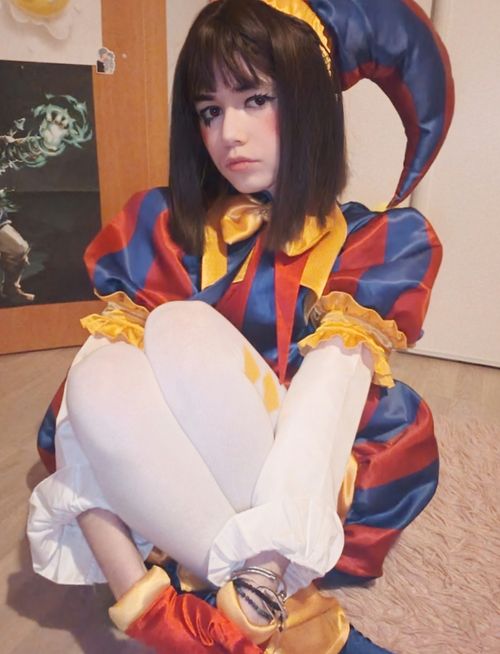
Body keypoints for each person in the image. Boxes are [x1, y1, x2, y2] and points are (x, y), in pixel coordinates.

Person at [27, 1, 453, 652]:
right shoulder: (163, 225)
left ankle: (259, 593)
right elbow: (91, 395)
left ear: (311, 103)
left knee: (184, 332)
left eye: (256, 99)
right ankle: (241, 616)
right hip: (190, 437)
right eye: (209, 110)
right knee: (106, 367)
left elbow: (328, 400)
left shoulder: (374, 241)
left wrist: (273, 560)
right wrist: (135, 596)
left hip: (308, 462)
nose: (229, 133)